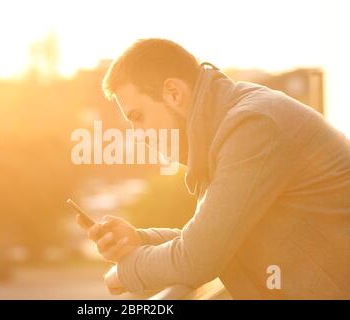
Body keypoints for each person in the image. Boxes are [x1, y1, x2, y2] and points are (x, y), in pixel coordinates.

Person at [76, 38, 350, 299]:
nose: (139, 135)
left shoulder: (252, 126)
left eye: (138, 117)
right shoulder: (229, 122)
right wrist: (139, 239)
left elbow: (199, 257)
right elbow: (217, 239)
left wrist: (126, 271)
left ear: (174, 92)